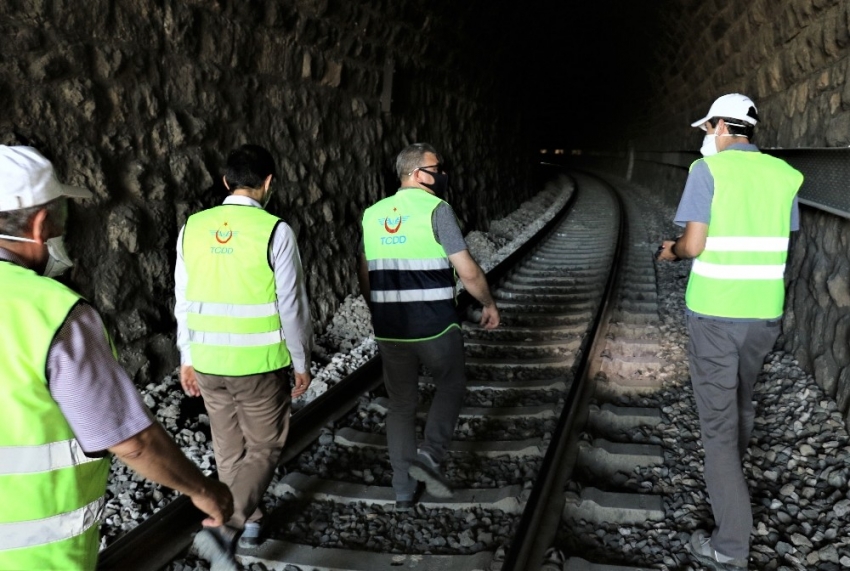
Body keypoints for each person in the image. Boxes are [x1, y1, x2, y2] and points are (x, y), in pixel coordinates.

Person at [0, 145, 233, 571]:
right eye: (61, 218)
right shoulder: (53, 313)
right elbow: (131, 441)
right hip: (34, 558)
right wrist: (202, 489)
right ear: (39, 225)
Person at [657, 94, 803, 570]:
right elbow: (779, 234)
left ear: (723, 126)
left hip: (716, 312)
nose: (705, 136)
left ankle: (729, 547)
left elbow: (695, 244)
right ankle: (730, 482)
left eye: (707, 128)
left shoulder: (708, 172)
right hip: (763, 314)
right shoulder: (786, 176)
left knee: (717, 430)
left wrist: (671, 251)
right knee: (740, 401)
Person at [174, 144, 313, 566]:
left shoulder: (192, 228)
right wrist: (301, 361)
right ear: (268, 183)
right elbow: (292, 305)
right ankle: (228, 525)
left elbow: (182, 296)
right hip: (258, 363)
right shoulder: (275, 231)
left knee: (229, 447)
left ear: (225, 181)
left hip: (208, 361)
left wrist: (186, 355)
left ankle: (251, 522)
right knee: (265, 446)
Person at [358, 142, 500, 511]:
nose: (442, 172)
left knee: (401, 403)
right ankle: (430, 456)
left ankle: (402, 490)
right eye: (437, 167)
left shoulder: (372, 213)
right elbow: (466, 270)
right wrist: (487, 303)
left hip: (390, 327)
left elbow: (364, 269)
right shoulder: (437, 210)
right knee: (451, 383)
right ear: (418, 173)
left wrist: (379, 309)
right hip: (434, 324)